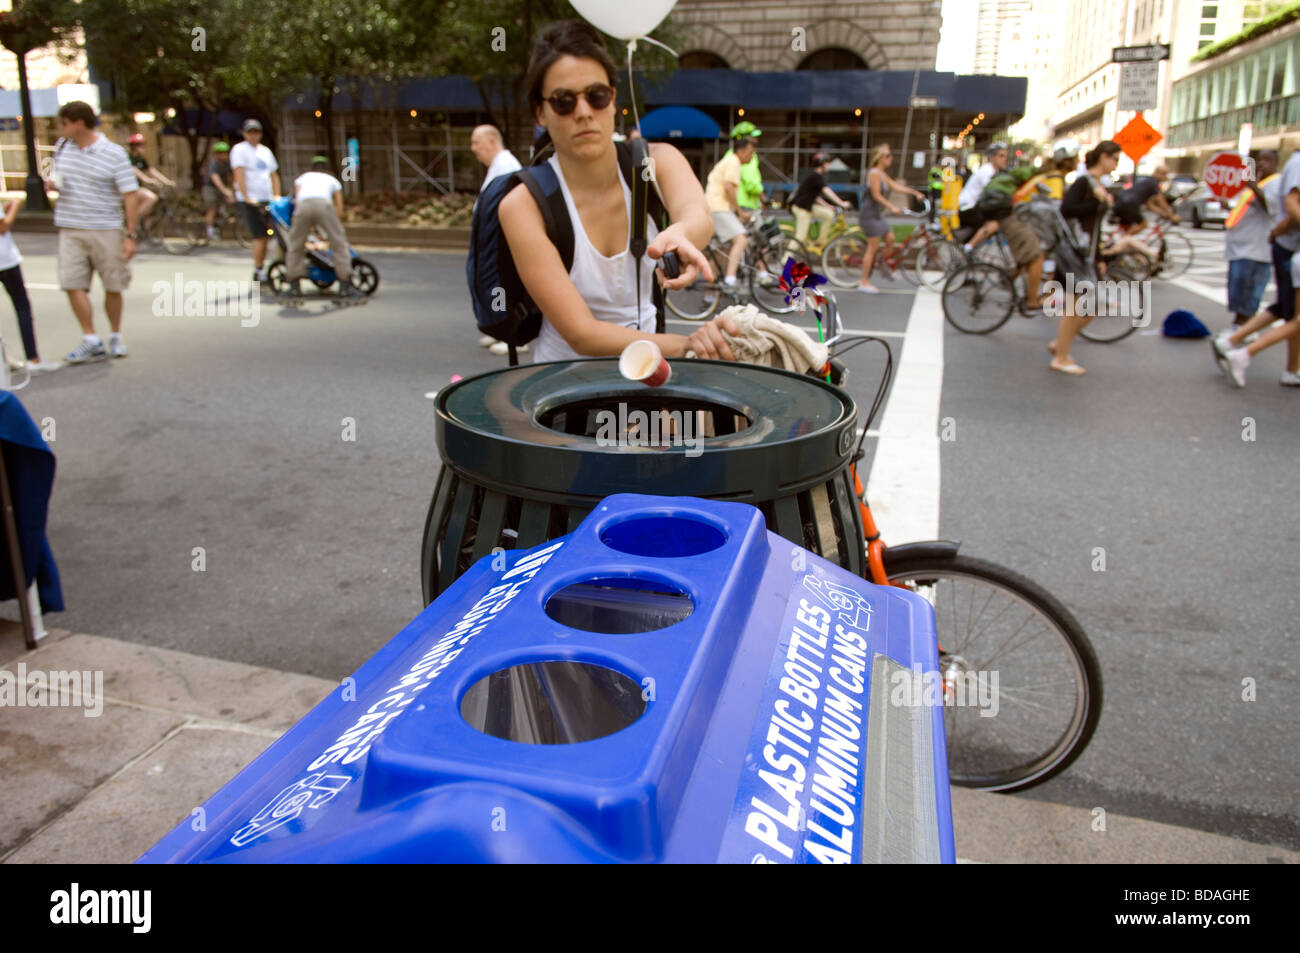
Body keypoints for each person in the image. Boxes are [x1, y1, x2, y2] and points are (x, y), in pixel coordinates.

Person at [499, 19, 736, 362]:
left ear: (612, 100)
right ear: (541, 112)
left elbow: (698, 216)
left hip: (649, 371)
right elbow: (582, 334)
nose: (583, 113)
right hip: (564, 389)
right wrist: (688, 345)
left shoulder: (658, 162)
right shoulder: (523, 205)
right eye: (564, 101)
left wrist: (681, 234)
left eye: (596, 96)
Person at [46, 100, 141, 364]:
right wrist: (51, 184)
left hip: (105, 227)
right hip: (70, 226)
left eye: (63, 123)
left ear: (78, 123)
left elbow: (130, 195)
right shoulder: (63, 148)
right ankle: (90, 338)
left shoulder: (112, 152)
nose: (60, 129)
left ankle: (115, 334)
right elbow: (57, 178)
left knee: (113, 284)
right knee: (71, 283)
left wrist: (130, 235)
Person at [1216, 148, 1300, 387]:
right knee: (1292, 314)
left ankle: (1238, 342)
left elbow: (1280, 210)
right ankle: (1241, 350)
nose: (1262, 164)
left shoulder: (1272, 182)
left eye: (1267, 160)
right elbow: (1290, 207)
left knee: (1287, 310)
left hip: (1262, 249)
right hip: (1261, 249)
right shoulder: (1291, 170)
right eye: (1259, 160)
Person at [470, 124, 524, 355]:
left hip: (501, 244)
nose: (473, 149)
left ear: (492, 141)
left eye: (476, 142)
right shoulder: (499, 166)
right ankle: (500, 328)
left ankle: (509, 331)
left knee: (502, 289)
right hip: (494, 243)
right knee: (495, 289)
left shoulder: (506, 166)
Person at [283, 155, 360, 302]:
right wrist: (334, 226)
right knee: (339, 244)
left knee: (295, 246)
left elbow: (298, 200)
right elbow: (340, 210)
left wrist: (308, 225)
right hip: (324, 204)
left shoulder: (303, 177)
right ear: (327, 170)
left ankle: (294, 286)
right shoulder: (332, 180)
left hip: (304, 206)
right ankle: (345, 286)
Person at [0, 195, 61, 374]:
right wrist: (16, 206)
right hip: (5, 261)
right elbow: (3, 226)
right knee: (22, 307)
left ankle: (3, 361)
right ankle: (33, 358)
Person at [856, 143, 923, 293]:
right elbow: (876, 195)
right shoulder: (873, 173)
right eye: (887, 155)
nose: (890, 158)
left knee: (891, 239)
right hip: (869, 214)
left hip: (877, 214)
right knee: (872, 247)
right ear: (880, 158)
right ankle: (863, 282)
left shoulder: (882, 174)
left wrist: (914, 192)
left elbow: (896, 187)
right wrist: (892, 207)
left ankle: (881, 263)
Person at [230, 119, 281, 286]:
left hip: (267, 199)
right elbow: (239, 173)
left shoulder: (265, 151)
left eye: (256, 132)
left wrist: (277, 195)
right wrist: (246, 197)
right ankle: (259, 271)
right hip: (251, 201)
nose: (253, 136)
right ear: (244, 134)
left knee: (275, 235)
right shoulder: (239, 150)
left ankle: (270, 267)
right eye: (250, 132)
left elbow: (274, 174)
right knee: (260, 237)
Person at [704, 135, 757, 291]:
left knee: (723, 250)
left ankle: (709, 293)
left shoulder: (729, 161)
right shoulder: (734, 162)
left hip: (714, 207)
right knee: (741, 240)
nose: (751, 155)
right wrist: (740, 211)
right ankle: (730, 279)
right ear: (741, 151)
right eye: (750, 151)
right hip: (718, 208)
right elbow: (728, 187)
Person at [789, 152, 850, 249]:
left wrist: (829, 207)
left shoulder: (815, 176)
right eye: (827, 163)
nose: (829, 165)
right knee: (800, 238)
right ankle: (785, 262)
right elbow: (827, 191)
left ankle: (820, 242)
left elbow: (816, 197)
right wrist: (841, 203)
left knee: (828, 214)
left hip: (808, 206)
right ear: (822, 164)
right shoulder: (816, 176)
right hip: (802, 209)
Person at [957, 142, 1009, 251]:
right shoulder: (987, 171)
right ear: (992, 157)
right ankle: (968, 248)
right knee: (995, 223)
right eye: (1001, 156)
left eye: (1005, 156)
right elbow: (993, 193)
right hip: (967, 207)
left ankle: (970, 246)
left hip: (972, 207)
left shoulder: (993, 171)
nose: (1004, 159)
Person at [1112, 165, 1178, 243]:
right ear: (1156, 172)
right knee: (1143, 224)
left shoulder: (1147, 182)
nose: (1165, 177)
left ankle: (1122, 246)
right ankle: (1120, 243)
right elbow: (1161, 202)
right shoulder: (1153, 183)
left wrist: (1163, 214)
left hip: (1122, 203)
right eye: (1163, 174)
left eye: (1166, 174)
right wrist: (1171, 216)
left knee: (1128, 227)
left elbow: (1149, 205)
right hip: (1129, 205)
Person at [126, 132, 173, 231]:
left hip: (138, 188)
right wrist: (147, 179)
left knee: (147, 211)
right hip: (130, 188)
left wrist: (167, 181)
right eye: (141, 146)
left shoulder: (141, 159)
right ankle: (132, 219)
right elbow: (134, 170)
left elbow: (152, 170)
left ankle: (146, 234)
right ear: (134, 147)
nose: (144, 148)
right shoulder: (128, 159)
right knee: (151, 198)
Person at [729, 121, 765, 221]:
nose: (756, 140)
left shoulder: (729, 155)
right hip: (745, 204)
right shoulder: (745, 156)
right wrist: (763, 196)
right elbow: (751, 182)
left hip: (734, 203)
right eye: (752, 136)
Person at [202, 141, 236, 239]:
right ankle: (210, 231)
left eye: (225, 152)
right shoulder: (214, 164)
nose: (223, 155)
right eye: (220, 153)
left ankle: (220, 215)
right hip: (210, 188)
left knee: (227, 206)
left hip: (222, 188)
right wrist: (225, 190)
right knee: (212, 209)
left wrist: (232, 189)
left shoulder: (228, 164)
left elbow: (232, 176)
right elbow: (215, 178)